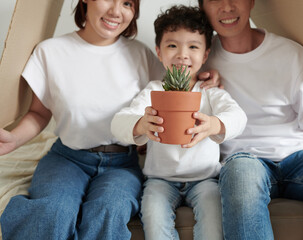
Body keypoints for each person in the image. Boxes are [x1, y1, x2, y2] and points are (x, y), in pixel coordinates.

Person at [0, 1, 219, 239]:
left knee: (109, 212)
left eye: (126, 3)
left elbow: (177, 88)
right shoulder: (50, 51)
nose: (116, 11)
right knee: (53, 211)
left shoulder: (141, 54)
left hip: (122, 164)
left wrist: (209, 76)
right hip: (67, 159)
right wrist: (13, 139)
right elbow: (39, 113)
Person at [198, 0, 303, 239]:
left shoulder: (290, 52)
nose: (227, 7)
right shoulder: (199, 57)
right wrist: (198, 82)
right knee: (240, 175)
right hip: (245, 160)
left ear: (251, 1)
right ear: (202, 7)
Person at [111, 5, 247, 240]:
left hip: (205, 179)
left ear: (205, 54)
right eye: (172, 45)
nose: (182, 54)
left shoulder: (209, 92)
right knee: (154, 224)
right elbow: (119, 122)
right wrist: (141, 125)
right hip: (159, 180)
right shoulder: (154, 91)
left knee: (213, 225)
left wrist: (214, 125)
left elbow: (238, 117)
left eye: (193, 47)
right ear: (159, 52)